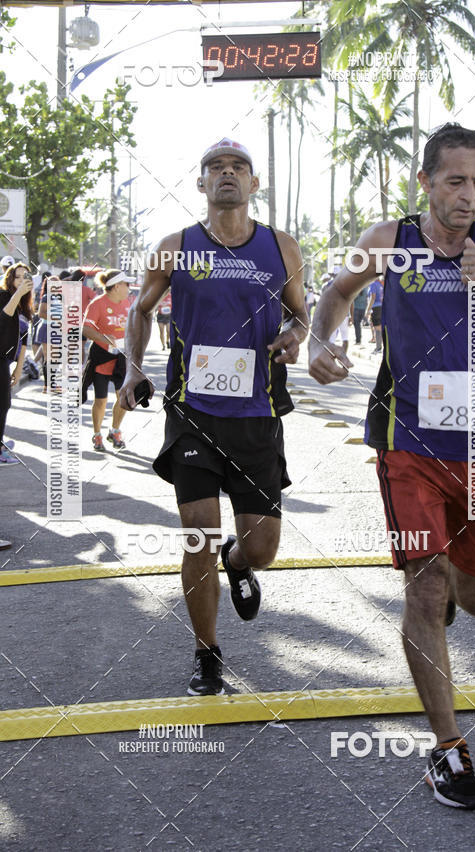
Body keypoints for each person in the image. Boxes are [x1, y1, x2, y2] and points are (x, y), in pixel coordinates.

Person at [308, 123, 475, 810]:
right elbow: (335, 296)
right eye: (455, 181)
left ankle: (456, 591)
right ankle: (448, 753)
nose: (468, 196)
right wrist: (317, 341)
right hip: (408, 443)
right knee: (424, 589)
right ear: (425, 182)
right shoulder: (389, 243)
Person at [119, 138, 309, 696]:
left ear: (254, 185)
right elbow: (140, 308)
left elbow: (302, 315)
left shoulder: (281, 248)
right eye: (216, 168)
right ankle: (207, 653)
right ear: (200, 184)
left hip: (257, 415)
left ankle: (238, 560)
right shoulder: (175, 247)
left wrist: (295, 337)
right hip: (193, 412)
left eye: (239, 168)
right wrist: (133, 371)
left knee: (262, 549)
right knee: (197, 536)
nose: (227, 175)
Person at [82, 269, 135, 451]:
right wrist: (106, 339)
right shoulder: (98, 304)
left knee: (124, 398)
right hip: (102, 357)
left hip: (122, 358)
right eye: (126, 285)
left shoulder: (128, 303)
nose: (129, 288)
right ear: (116, 286)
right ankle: (97, 435)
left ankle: (115, 430)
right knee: (101, 400)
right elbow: (86, 329)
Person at [0, 263, 33, 464]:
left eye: (25, 277)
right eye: (18, 277)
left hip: (8, 359)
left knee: (4, 403)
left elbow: (24, 339)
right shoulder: (3, 297)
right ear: (10, 279)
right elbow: (0, 320)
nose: (22, 281)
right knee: (1, 403)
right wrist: (17, 294)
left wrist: (19, 367)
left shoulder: (24, 305)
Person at [366, 276, 384, 350]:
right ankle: (381, 346)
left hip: (375, 307)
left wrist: (368, 309)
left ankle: (378, 347)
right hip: (381, 306)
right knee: (380, 327)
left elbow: (372, 297)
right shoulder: (380, 284)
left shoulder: (373, 284)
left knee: (377, 328)